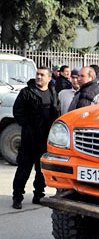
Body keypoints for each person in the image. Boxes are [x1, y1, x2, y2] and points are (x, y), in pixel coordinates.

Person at [12, 66, 60, 209]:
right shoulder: (26, 92)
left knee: (41, 171)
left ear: (49, 78)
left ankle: (39, 195)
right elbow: (17, 111)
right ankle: (17, 197)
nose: (39, 77)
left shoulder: (52, 92)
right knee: (24, 169)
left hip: (45, 139)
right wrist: (27, 126)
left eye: (42, 75)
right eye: (37, 74)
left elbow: (56, 111)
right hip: (29, 138)